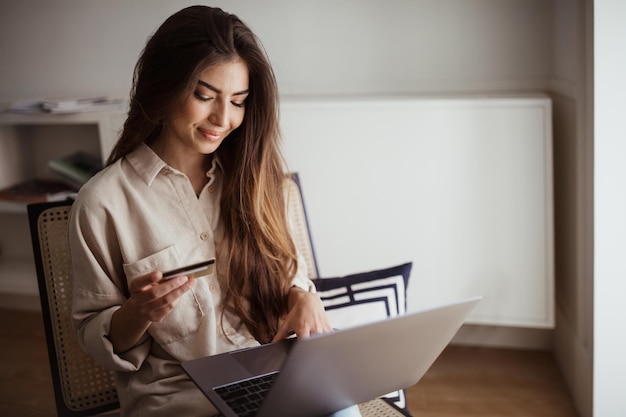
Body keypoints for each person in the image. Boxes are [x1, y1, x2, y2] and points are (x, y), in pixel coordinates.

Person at [69, 6, 361, 417]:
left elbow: (288, 266)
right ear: (164, 87)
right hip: (180, 398)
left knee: (342, 409)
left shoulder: (258, 178)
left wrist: (303, 295)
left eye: (238, 101)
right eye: (204, 96)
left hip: (270, 374)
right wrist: (136, 313)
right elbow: (92, 334)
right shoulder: (103, 202)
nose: (223, 119)